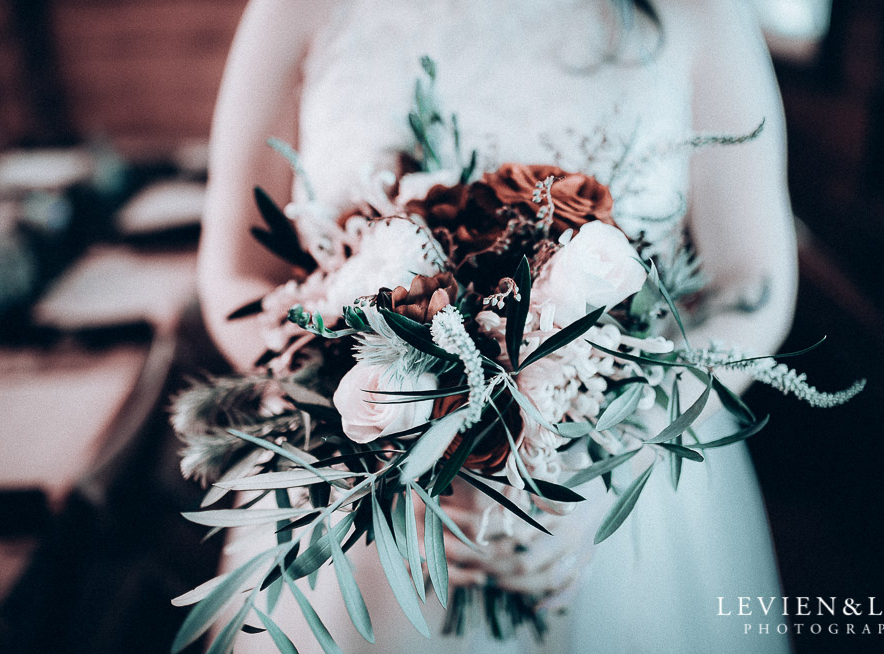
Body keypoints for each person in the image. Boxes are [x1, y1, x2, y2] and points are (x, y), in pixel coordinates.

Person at [198, 1, 797, 651]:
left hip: (614, 490)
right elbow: (236, 275)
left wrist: (606, 456)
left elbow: (751, 286)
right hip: (357, 495)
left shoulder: (703, 12)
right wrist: (375, 420)